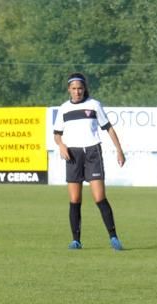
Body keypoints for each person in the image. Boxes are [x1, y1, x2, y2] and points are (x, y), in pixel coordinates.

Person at [53, 72, 126, 250]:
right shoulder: (63, 109)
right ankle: (76, 240)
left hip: (93, 152)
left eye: (80, 88)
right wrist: (61, 145)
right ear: (69, 90)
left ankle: (114, 237)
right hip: (73, 154)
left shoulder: (94, 105)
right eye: (74, 89)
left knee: (99, 197)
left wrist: (119, 150)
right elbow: (56, 134)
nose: (77, 92)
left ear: (84, 89)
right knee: (75, 199)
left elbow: (108, 128)